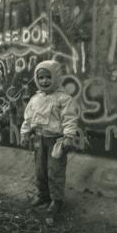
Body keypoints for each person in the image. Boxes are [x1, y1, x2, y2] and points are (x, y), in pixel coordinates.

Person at [20, 59, 79, 219]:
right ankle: (43, 195)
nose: (44, 81)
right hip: (39, 139)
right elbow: (28, 118)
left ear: (56, 77)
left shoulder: (63, 99)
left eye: (48, 77)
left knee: (55, 171)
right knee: (40, 169)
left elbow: (69, 118)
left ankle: (56, 200)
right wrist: (25, 133)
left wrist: (68, 136)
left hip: (56, 142)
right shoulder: (35, 99)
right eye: (40, 78)